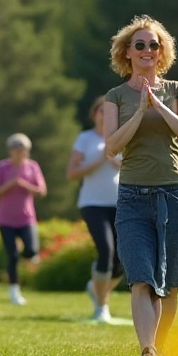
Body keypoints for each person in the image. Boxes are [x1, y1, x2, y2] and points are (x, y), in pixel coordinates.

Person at [102, 15, 178, 356]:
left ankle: (157, 347)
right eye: (139, 45)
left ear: (162, 52)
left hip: (173, 192)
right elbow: (111, 146)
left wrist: (158, 106)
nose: (146, 50)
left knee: (169, 283)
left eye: (153, 45)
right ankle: (147, 351)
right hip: (132, 196)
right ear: (126, 52)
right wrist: (139, 111)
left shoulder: (177, 90)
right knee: (141, 277)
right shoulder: (115, 96)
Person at [66, 96, 124, 322]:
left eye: (109, 112)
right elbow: (72, 173)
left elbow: (132, 168)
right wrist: (101, 159)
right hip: (92, 204)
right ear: (94, 114)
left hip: (121, 204)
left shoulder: (121, 138)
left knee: (123, 260)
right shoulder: (85, 139)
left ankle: (97, 287)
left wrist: (116, 162)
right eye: (101, 111)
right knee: (106, 251)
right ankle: (102, 307)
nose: (105, 115)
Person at [0, 133, 47, 306]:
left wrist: (24, 185)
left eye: (24, 150)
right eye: (17, 150)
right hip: (5, 220)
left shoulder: (33, 167)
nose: (20, 153)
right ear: (10, 151)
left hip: (27, 219)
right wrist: (10, 184)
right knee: (12, 256)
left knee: (32, 251)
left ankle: (23, 253)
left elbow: (42, 191)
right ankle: (14, 291)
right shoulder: (2, 167)